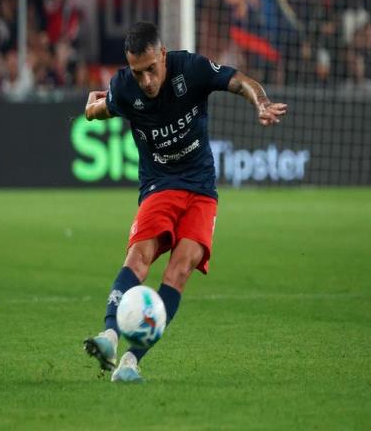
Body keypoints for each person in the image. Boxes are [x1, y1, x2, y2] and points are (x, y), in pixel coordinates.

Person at [83, 21, 287, 382]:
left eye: (151, 69)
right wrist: (89, 109)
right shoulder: (125, 87)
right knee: (139, 257)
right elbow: (99, 110)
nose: (146, 80)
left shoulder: (191, 69)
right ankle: (110, 336)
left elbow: (240, 81)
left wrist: (262, 102)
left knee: (179, 270)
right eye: (137, 72)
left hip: (202, 189)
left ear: (163, 55)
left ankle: (131, 362)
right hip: (159, 185)